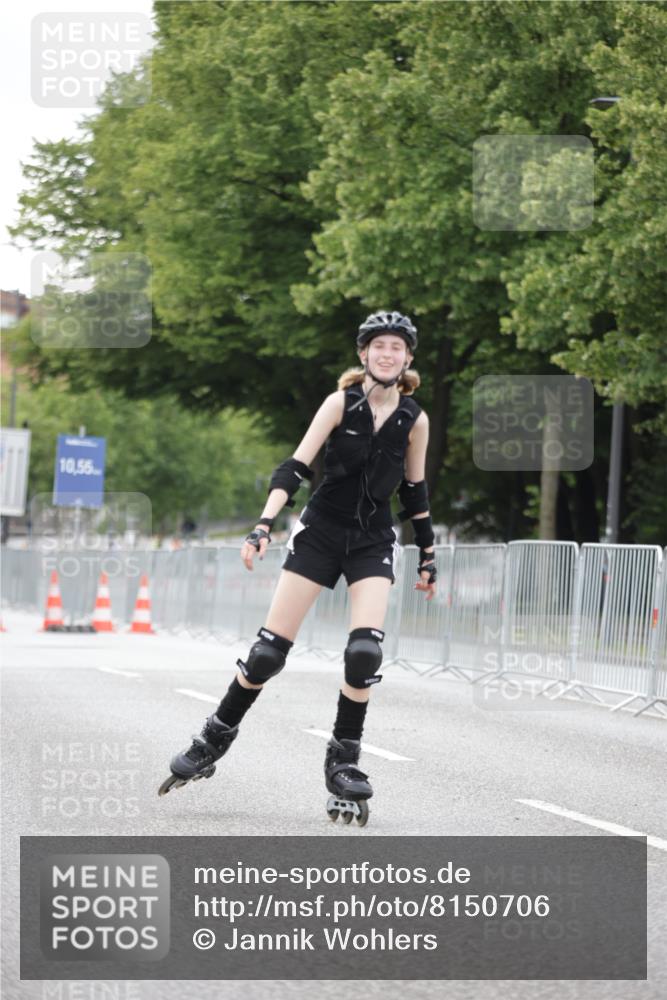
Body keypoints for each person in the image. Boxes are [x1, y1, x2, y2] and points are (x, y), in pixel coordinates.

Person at [158, 311, 437, 825]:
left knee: (363, 652)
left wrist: (427, 553)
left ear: (407, 359)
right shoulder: (340, 403)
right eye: (378, 345)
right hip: (320, 534)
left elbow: (415, 492)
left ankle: (343, 762)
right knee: (267, 654)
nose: (387, 354)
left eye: (397, 347)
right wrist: (263, 524)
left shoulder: (413, 419)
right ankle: (211, 740)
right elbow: (295, 467)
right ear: (363, 354)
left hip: (372, 539)